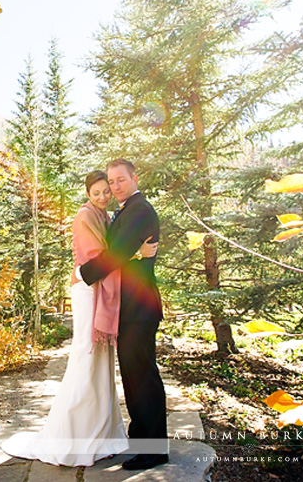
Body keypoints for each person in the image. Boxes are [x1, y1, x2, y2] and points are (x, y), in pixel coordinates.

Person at [0, 170, 157, 467]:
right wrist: (134, 255)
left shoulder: (109, 215)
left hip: (100, 291)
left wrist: (133, 253)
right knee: (86, 357)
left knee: (101, 363)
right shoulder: (86, 215)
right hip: (88, 291)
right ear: (88, 193)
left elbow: (115, 251)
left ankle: (102, 435)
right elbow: (105, 256)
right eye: (98, 191)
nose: (104, 195)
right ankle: (74, 435)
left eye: (107, 189)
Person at [77, 158, 168, 471]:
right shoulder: (126, 209)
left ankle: (155, 450)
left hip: (139, 308)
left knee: (143, 376)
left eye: (120, 180)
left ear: (134, 177)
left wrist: (82, 272)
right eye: (111, 182)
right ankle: (141, 440)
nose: (115, 187)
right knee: (132, 376)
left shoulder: (140, 210)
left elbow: (114, 255)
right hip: (128, 307)